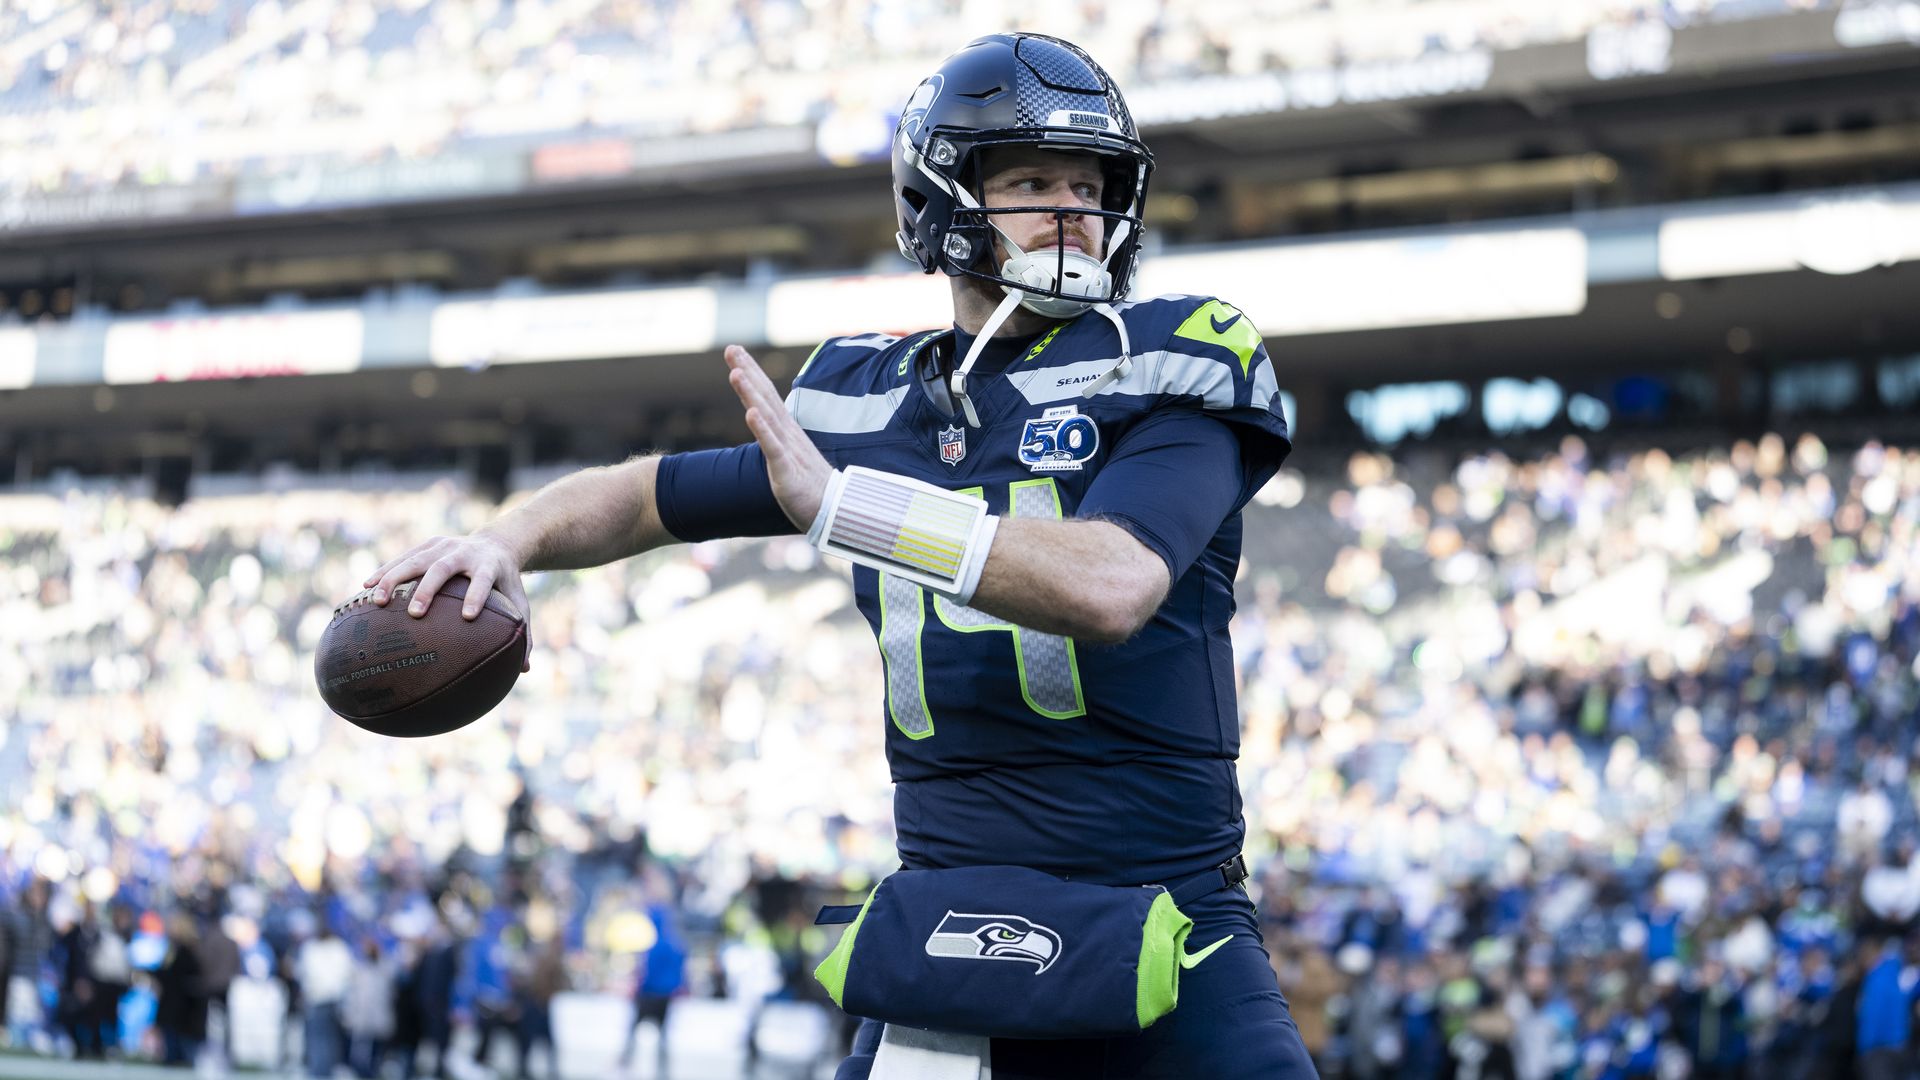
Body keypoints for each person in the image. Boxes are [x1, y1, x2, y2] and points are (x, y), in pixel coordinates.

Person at [366, 31, 1313, 1079]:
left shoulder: (1174, 357)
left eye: (1091, 185)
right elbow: (641, 495)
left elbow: (1113, 581)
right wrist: (506, 540)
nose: (1072, 211)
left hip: (1168, 919)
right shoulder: (864, 400)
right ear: (946, 202)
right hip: (953, 922)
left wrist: (846, 507)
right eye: (1034, 180)